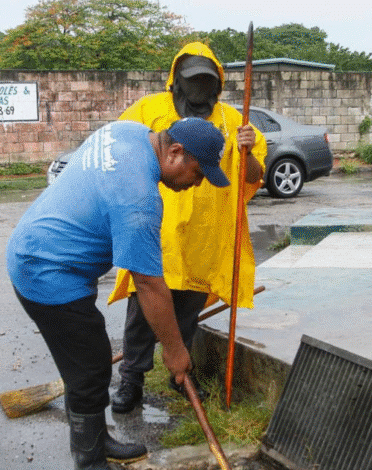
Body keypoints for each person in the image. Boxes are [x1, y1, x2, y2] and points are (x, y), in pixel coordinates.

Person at [6, 117, 229, 470]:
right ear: (175, 152)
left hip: (38, 244)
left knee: (89, 360)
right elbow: (150, 286)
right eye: (198, 172)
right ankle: (90, 461)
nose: (198, 183)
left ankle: (99, 441)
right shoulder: (139, 201)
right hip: (46, 268)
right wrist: (174, 351)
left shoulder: (128, 132)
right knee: (90, 370)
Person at [107, 42, 266, 413]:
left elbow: (253, 178)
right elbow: (120, 150)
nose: (200, 92)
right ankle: (131, 380)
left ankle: (180, 377)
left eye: (208, 84)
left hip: (205, 237)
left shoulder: (235, 122)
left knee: (187, 313)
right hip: (155, 230)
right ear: (175, 82)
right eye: (192, 82)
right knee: (143, 310)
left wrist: (247, 153)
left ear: (218, 87)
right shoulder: (148, 110)